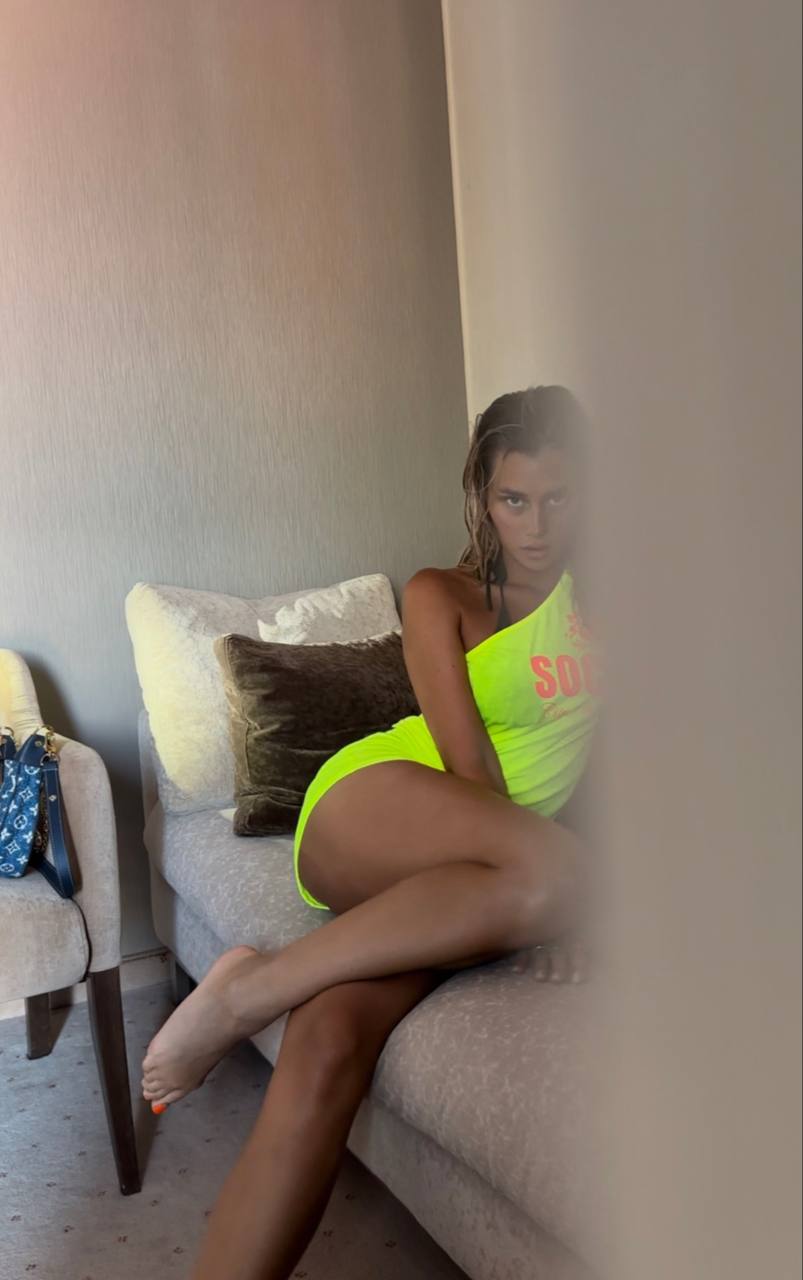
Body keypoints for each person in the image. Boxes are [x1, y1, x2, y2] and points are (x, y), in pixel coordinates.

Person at [142, 385, 601, 1280]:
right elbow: (469, 771)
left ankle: (260, 985)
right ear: (482, 497)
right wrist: (556, 900)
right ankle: (244, 994)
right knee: (558, 875)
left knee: (326, 1046)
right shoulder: (442, 595)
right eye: (513, 499)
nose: (536, 526)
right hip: (380, 805)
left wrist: (539, 895)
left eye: (559, 497)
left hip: (481, 878)